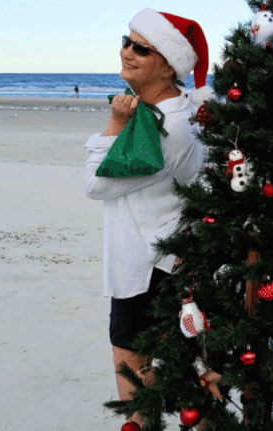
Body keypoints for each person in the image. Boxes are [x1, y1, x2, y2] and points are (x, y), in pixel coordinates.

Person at [82, 8, 213, 429]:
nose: (127, 52)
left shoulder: (169, 126)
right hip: (163, 256)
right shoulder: (175, 112)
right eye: (126, 41)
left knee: (134, 367)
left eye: (142, 48)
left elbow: (96, 185)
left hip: (150, 265)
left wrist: (115, 122)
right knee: (181, 369)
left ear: (168, 64)